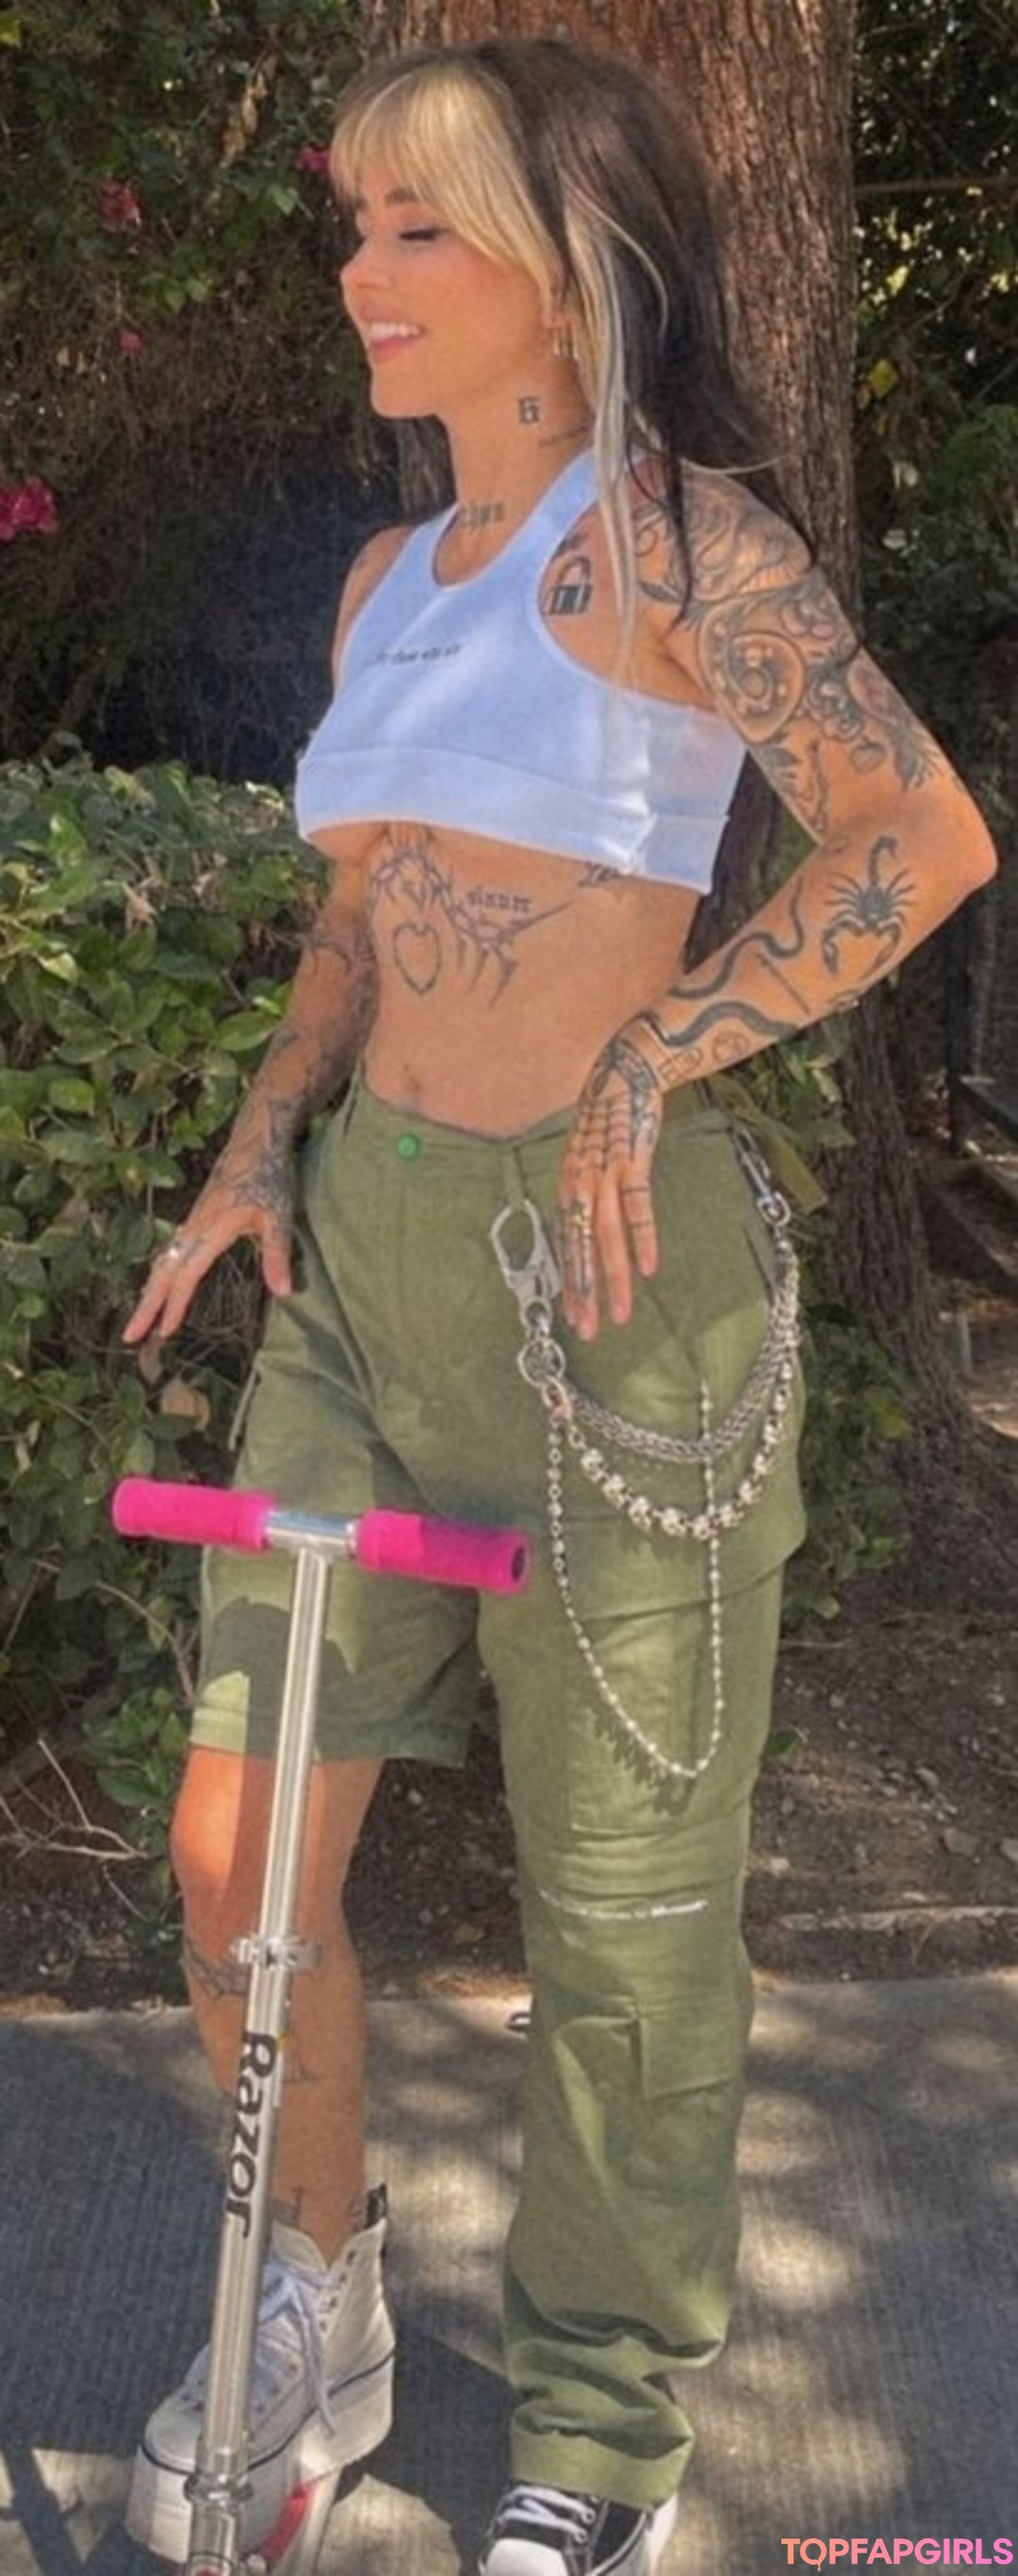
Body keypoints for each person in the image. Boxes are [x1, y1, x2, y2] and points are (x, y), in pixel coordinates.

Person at [121, 36, 996, 2576]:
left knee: (622, 1917)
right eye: (356, 224)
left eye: (421, 224)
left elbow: (922, 828)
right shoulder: (392, 578)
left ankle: (602, 2429)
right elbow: (361, 905)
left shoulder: (687, 547)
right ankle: (320, 2298)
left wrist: (665, 1042)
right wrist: (262, 1132)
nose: (361, 273)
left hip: (615, 1293)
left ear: (569, 261)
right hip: (365, 1276)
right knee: (235, 1858)